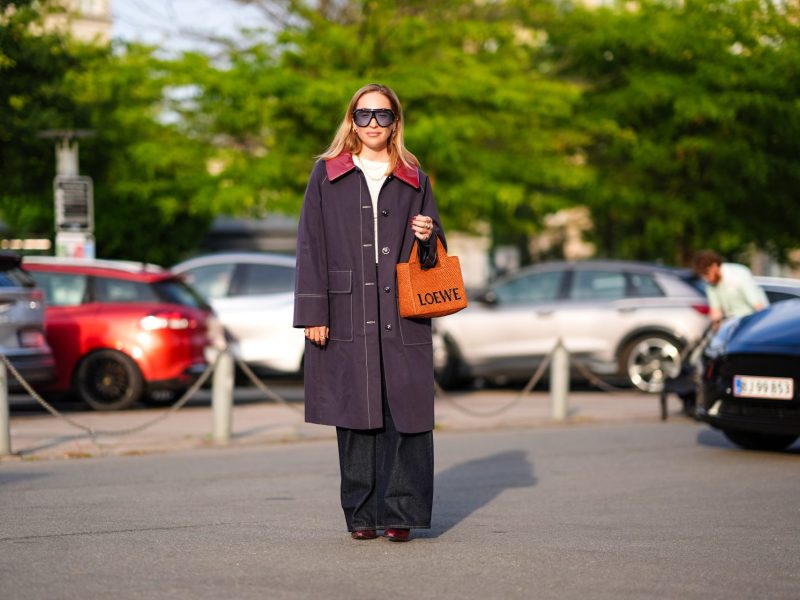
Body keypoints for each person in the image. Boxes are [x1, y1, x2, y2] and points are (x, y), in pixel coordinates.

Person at [293, 83, 444, 542]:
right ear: (352, 122)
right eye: (364, 115)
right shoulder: (327, 174)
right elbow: (310, 245)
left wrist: (428, 235)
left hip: (403, 314)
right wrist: (314, 313)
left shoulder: (415, 177)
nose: (373, 123)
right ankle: (362, 516)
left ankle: (400, 514)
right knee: (355, 413)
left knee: (406, 414)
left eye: (383, 115)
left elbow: (436, 253)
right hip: (346, 312)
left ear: (395, 122)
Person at [692, 250, 769, 329]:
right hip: (733, 325)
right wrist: (715, 329)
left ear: (714, 266)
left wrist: (764, 325)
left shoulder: (738, 273)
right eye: (703, 275)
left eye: (707, 273)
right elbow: (716, 312)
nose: (706, 279)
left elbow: (758, 305)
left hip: (751, 322)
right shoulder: (711, 285)